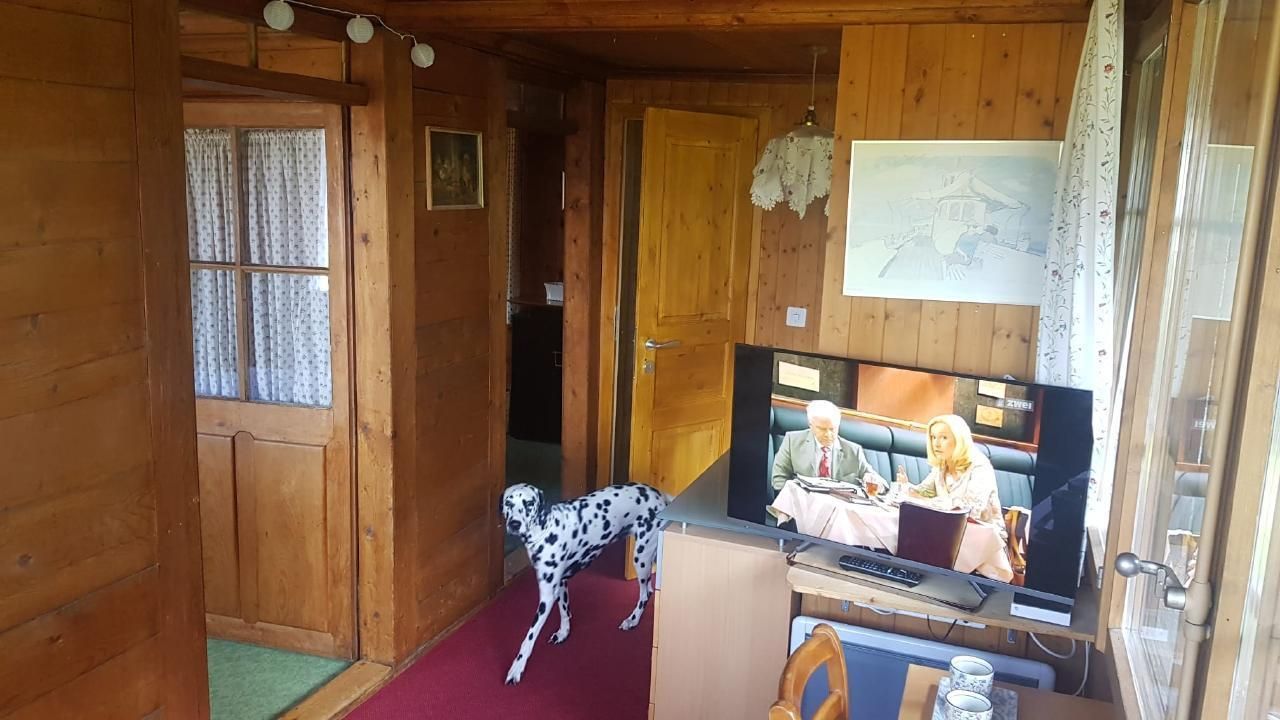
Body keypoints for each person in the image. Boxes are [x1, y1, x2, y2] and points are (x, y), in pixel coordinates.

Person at [896, 414, 1005, 537]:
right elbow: (924, 492)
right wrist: (907, 487)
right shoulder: (942, 465)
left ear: (959, 439)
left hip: (983, 536)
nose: (936, 444)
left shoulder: (980, 467)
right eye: (933, 437)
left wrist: (924, 501)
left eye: (944, 437)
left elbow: (969, 510)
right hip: (949, 531)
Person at [771, 400, 887, 493]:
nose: (828, 434)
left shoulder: (853, 451)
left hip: (839, 510)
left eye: (832, 429)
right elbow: (778, 479)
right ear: (811, 425)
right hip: (801, 506)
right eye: (822, 429)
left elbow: (881, 484)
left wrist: (875, 483)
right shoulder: (792, 441)